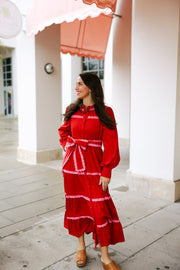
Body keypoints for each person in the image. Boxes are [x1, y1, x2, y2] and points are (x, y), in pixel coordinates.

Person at [58, 72, 125, 270]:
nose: (76, 87)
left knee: (100, 209)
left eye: (80, 84)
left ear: (91, 86)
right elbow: (64, 132)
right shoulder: (72, 110)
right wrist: (69, 146)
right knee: (77, 206)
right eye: (76, 84)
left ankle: (105, 256)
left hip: (96, 168)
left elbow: (111, 143)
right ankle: (81, 248)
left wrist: (107, 171)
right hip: (73, 168)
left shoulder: (106, 112)